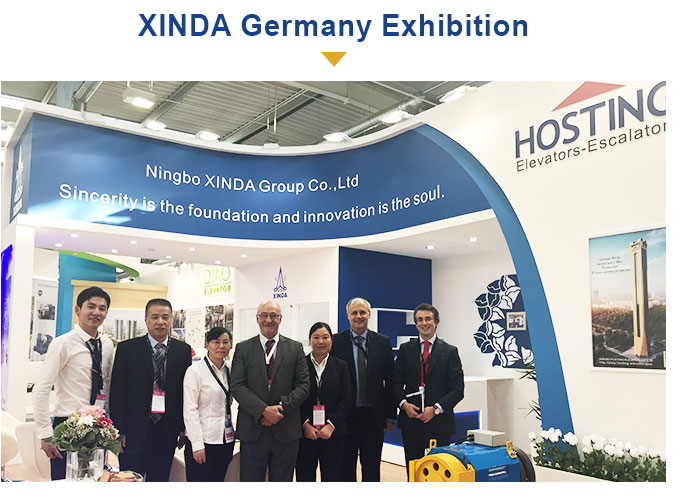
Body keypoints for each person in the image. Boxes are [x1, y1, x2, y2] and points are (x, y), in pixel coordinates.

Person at [32, 286, 113, 480]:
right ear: (78, 310)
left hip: (98, 425)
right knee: (65, 482)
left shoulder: (107, 344)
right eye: (91, 306)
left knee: (95, 480)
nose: (96, 312)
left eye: (102, 308)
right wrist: (45, 434)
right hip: (68, 424)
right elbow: (41, 390)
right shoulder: (63, 343)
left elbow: (108, 386)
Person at [109, 298, 192, 482]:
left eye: (165, 317)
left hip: (167, 432)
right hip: (133, 432)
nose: (160, 322)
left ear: (172, 320)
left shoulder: (183, 351)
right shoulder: (127, 349)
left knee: (159, 481)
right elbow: (117, 392)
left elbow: (185, 394)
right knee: (130, 482)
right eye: (155, 317)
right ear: (146, 319)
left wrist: (183, 429)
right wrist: (119, 431)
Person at [230, 300, 309, 481]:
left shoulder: (295, 348)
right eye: (264, 315)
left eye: (273, 315)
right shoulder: (243, 348)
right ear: (257, 318)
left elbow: (303, 386)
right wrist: (263, 410)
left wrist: (279, 408)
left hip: (286, 430)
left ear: (280, 319)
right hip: (253, 429)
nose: (268, 320)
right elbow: (237, 385)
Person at [393, 303, 464, 479]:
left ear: (436, 322)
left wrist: (436, 409)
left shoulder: (450, 351)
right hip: (411, 421)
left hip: (439, 422)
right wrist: (404, 405)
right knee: (414, 472)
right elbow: (395, 383)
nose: (424, 323)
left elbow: (457, 389)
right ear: (416, 324)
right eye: (419, 320)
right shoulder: (405, 350)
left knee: (439, 474)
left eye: (428, 319)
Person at [330, 297, 396, 482]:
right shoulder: (336, 342)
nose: (358, 316)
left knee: (372, 467)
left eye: (362, 312)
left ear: (369, 314)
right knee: (345, 467)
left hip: (373, 417)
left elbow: (390, 381)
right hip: (346, 417)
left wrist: (391, 415)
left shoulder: (383, 342)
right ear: (347, 316)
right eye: (354, 313)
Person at [295, 322, 352, 482]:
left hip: (333, 433)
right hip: (305, 434)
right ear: (309, 341)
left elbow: (346, 398)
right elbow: (294, 397)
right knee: (305, 478)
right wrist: (304, 424)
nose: (321, 341)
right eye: (316, 337)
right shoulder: (299, 365)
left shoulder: (341, 366)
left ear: (331, 341)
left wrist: (331, 424)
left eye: (325, 337)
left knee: (333, 477)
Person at [183, 327, 235, 482]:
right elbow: (190, 409)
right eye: (216, 342)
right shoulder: (195, 371)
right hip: (204, 441)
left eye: (225, 342)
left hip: (226, 440)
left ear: (230, 346)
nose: (221, 346)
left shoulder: (230, 371)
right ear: (207, 345)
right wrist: (197, 444)